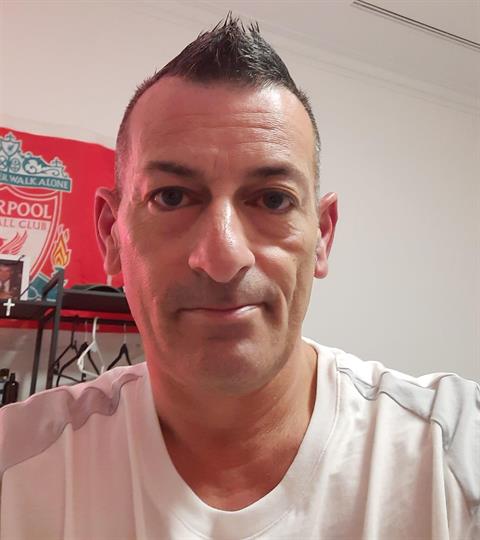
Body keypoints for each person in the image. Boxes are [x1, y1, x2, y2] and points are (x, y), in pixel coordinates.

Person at [0, 16, 478, 540]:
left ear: (322, 236)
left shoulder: (451, 451)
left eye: (272, 199)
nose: (223, 257)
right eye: (172, 197)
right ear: (112, 234)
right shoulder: (18, 468)